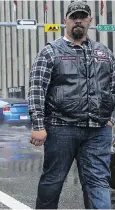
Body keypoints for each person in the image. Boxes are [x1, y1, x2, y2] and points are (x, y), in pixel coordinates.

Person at [28, 1, 115, 209]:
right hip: (60, 128)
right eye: (74, 16)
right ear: (65, 20)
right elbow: (36, 89)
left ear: (89, 21)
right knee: (53, 181)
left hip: (97, 130)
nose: (78, 20)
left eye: (83, 17)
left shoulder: (104, 53)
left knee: (98, 182)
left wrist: (110, 118)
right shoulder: (50, 52)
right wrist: (38, 125)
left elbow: (112, 87)